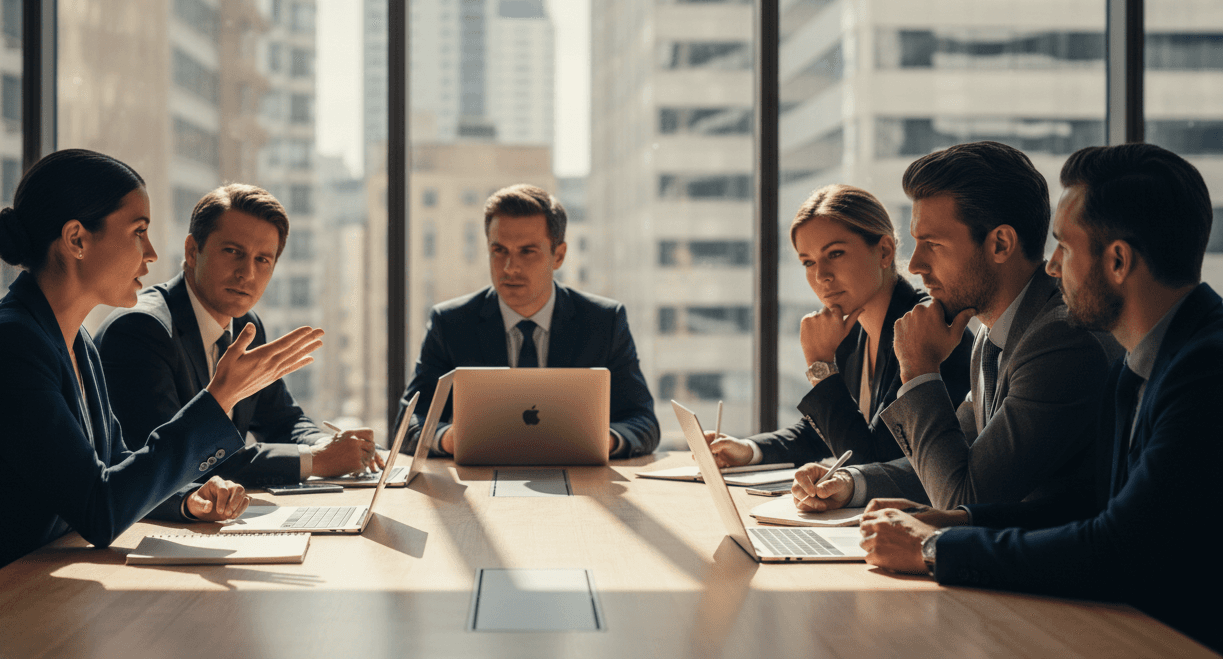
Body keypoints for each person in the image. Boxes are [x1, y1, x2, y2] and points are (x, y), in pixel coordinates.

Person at [0, 150, 323, 609]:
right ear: (76, 239)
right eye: (138, 233)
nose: (151, 254)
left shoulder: (75, 342)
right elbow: (99, 510)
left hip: (32, 590)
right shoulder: (9, 344)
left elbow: (115, 466)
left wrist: (188, 501)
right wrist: (218, 397)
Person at [857, 143, 1221, 652]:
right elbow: (1092, 510)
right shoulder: (1145, 365)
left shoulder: (1205, 371)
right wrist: (959, 523)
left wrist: (939, 548)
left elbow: (1117, 548)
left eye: (1065, 249)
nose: (1051, 268)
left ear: (1117, 261)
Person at [793, 141, 1116, 512]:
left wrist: (918, 370)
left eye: (932, 244)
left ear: (1000, 244)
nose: (913, 264)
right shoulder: (992, 335)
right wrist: (852, 482)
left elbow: (963, 498)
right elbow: (948, 463)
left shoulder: (1060, 342)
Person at [96, 184, 379, 486]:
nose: (248, 274)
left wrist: (327, 445)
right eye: (233, 252)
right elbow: (174, 461)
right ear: (192, 251)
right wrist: (316, 461)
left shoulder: (245, 324)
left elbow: (283, 419)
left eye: (263, 260)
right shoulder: (140, 330)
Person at [705, 185, 971, 468]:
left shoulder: (926, 329)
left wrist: (820, 365)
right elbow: (825, 430)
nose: (821, 276)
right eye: (808, 262)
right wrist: (749, 449)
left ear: (884, 251)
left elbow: (873, 463)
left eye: (835, 254)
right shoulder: (852, 330)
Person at [397, 184, 660, 458]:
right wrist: (447, 438)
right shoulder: (450, 323)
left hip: (581, 483)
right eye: (499, 250)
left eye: (527, 251)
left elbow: (644, 423)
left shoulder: (604, 322)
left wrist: (604, 441)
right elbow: (407, 424)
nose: (510, 267)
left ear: (558, 256)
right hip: (480, 485)